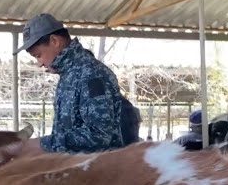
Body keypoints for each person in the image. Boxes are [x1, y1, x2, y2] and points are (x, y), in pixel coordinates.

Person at [15, 13, 140, 155]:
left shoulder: (92, 74)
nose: (40, 63)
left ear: (54, 41)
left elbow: (99, 136)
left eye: (39, 55)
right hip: (75, 169)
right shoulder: (70, 74)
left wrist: (43, 144)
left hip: (96, 171)